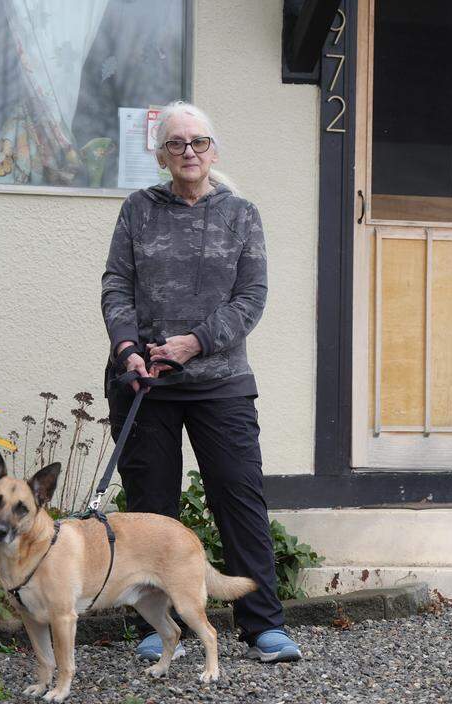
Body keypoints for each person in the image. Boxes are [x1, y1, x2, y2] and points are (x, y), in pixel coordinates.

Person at [100, 101, 300, 663]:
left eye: (199, 142)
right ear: (160, 154)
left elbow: (251, 298)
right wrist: (126, 348)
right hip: (147, 384)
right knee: (151, 509)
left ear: (214, 149)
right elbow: (116, 284)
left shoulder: (241, 214)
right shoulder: (137, 210)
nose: (189, 151)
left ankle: (264, 626)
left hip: (221, 381)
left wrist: (195, 342)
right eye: (177, 143)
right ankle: (160, 627)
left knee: (239, 499)